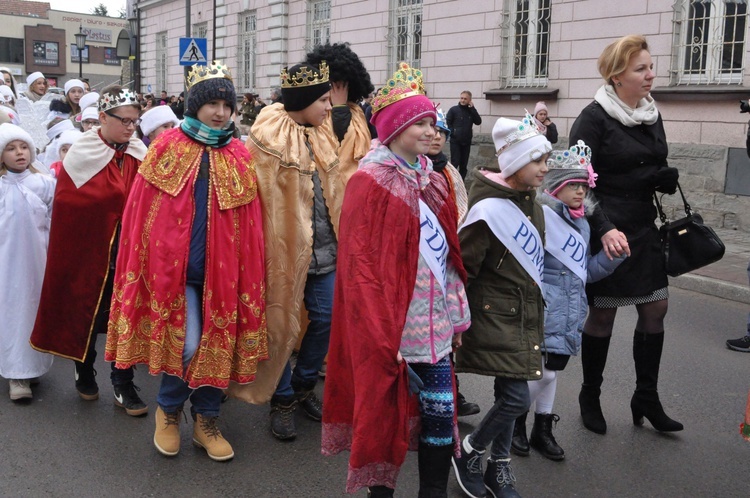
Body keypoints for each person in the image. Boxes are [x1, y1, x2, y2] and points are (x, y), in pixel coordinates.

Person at [105, 62, 267, 462]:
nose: (220, 112)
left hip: (226, 275)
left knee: (221, 346)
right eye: (211, 103)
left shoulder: (238, 154)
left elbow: (251, 222)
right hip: (176, 275)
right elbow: (141, 215)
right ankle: (169, 411)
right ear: (194, 105)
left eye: (226, 104)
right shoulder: (167, 147)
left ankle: (207, 421)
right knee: (189, 344)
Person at [322, 62, 470, 498]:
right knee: (385, 415)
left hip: (435, 324)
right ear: (393, 127)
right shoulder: (370, 182)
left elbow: (449, 257)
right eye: (420, 122)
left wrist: (456, 317)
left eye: (432, 122)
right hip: (391, 327)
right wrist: (375, 330)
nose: (431, 130)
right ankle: (380, 492)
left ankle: (433, 491)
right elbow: (361, 266)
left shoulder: (436, 180)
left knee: (441, 414)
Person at [569, 34, 683, 435]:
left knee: (656, 309)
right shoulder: (593, 118)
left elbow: (648, 165)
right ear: (617, 76)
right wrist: (603, 228)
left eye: (651, 67)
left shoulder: (651, 113)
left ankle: (646, 397)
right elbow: (576, 182)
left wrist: (662, 180)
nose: (651, 75)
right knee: (602, 315)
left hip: (642, 225)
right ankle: (590, 394)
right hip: (607, 228)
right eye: (641, 69)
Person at [236, 62, 343, 442]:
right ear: (303, 100)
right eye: (324, 100)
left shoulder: (323, 134)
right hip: (280, 251)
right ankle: (281, 400)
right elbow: (259, 196)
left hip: (326, 251)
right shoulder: (267, 137)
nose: (330, 108)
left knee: (327, 318)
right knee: (279, 326)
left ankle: (302, 385)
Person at [30, 85, 149, 417]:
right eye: (124, 120)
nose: (130, 127)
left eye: (134, 121)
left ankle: (123, 384)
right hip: (91, 252)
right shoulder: (82, 153)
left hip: (130, 254)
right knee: (89, 312)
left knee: (125, 316)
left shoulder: (140, 151)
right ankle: (85, 370)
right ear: (102, 118)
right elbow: (71, 206)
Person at [451, 113, 552, 498]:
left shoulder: (533, 204)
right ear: (514, 164)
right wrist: (457, 322)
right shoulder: (487, 210)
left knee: (510, 391)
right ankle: (472, 450)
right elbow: (465, 269)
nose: (545, 168)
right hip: (496, 316)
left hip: (524, 315)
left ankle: (500, 464)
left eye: (546, 160)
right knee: (515, 397)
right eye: (538, 161)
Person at [510, 141, 625, 463]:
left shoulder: (583, 223)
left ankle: (541, 428)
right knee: (543, 372)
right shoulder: (541, 217)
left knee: (552, 372)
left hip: (570, 311)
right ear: (555, 186)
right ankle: (512, 420)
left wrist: (611, 259)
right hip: (545, 308)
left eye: (583, 185)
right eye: (572, 185)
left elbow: (584, 273)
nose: (580, 192)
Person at [428, 107, 479, 418]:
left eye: (441, 132)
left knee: (448, 331)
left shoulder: (450, 171)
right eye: (431, 130)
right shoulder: (415, 170)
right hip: (426, 258)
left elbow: (462, 207)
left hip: (447, 255)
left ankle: (451, 390)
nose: (436, 136)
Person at [0, 123, 56, 401]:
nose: (19, 153)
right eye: (10, 149)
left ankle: (30, 367)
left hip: (36, 264)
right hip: (6, 266)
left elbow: (55, 222)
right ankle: (15, 374)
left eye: (23, 147)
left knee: (32, 313)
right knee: (10, 315)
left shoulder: (44, 184)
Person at [306, 41, 374, 183]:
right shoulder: (312, 110)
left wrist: (340, 106)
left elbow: (348, 147)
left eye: (341, 84)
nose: (336, 89)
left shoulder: (356, 112)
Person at [446, 90, 482, 179]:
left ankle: (461, 185)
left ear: (469, 100)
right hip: (455, 142)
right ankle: (452, 184)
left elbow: (478, 122)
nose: (462, 100)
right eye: (461, 98)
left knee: (463, 166)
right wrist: (452, 133)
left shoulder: (471, 111)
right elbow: (448, 122)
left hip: (466, 142)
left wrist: (473, 109)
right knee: (455, 163)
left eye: (465, 99)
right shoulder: (453, 110)